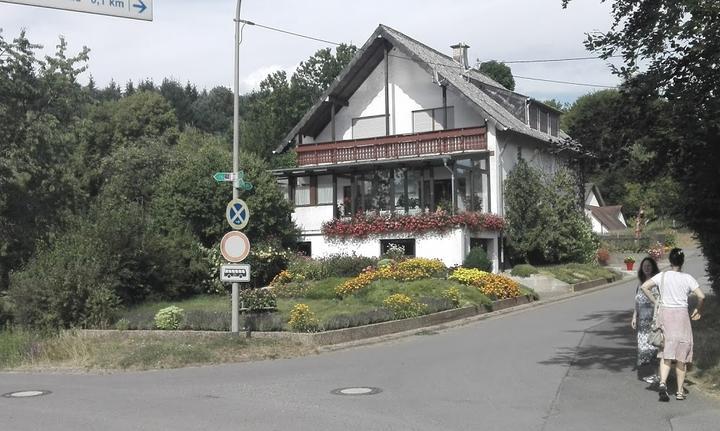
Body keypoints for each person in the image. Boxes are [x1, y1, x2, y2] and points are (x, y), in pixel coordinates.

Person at [640, 248, 705, 402]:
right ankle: (680, 391)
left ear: (670, 261)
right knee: (681, 355)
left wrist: (656, 301)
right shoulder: (688, 278)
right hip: (681, 316)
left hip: (665, 315)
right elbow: (701, 296)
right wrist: (697, 309)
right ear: (682, 262)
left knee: (666, 351)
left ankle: (663, 383)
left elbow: (644, 287)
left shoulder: (662, 276)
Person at [631, 257, 660, 383]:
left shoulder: (657, 283)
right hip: (642, 322)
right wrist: (634, 316)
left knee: (655, 347)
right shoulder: (640, 284)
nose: (646, 268)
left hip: (653, 320)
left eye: (649, 266)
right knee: (644, 348)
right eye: (644, 266)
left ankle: (658, 376)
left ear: (653, 267)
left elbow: (659, 301)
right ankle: (657, 374)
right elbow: (637, 302)